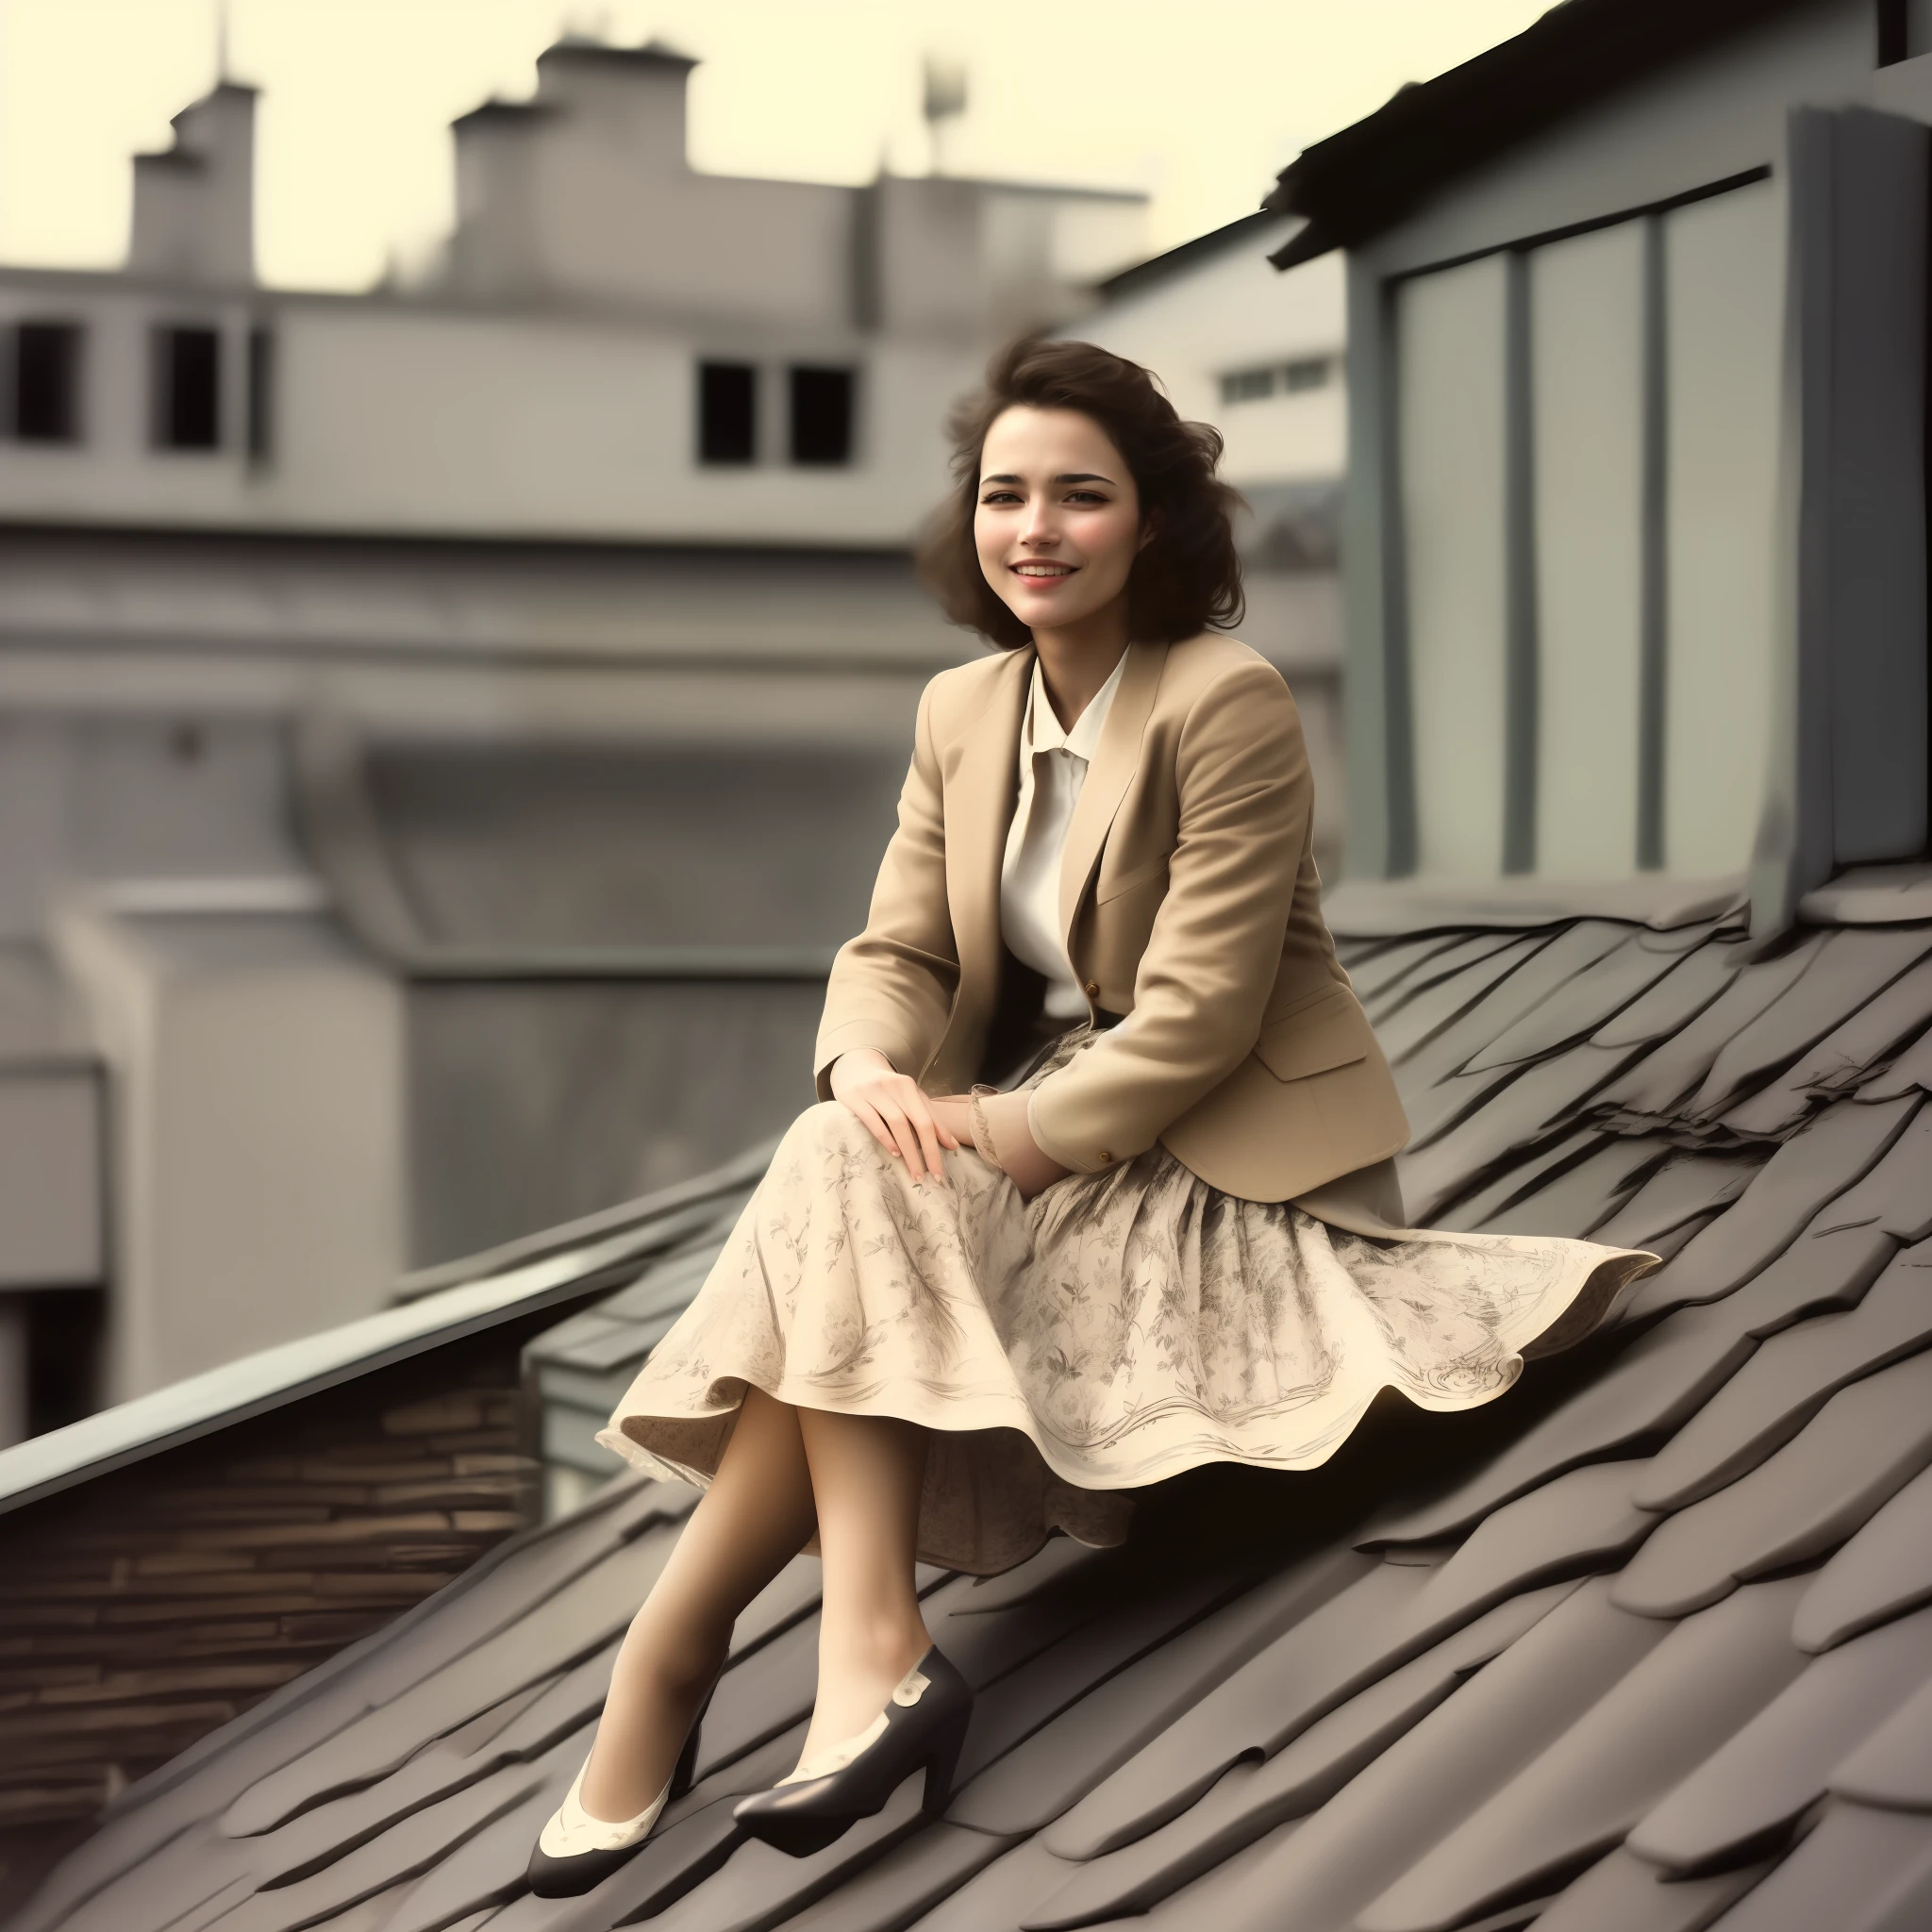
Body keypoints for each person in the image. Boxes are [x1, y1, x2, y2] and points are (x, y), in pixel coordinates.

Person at [525, 338, 1657, 1894]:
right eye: (1005, 495)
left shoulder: (1225, 699)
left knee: (841, 1201)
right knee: (838, 1149)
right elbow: (903, 952)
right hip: (1032, 1121)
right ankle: (853, 1656)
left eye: (1081, 495)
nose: (1035, 528)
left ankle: (673, 1666)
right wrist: (867, 1063)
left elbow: (1197, 1016)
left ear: (1149, 526)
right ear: (971, 526)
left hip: (1211, 1150)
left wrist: (982, 1134)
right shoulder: (962, 711)